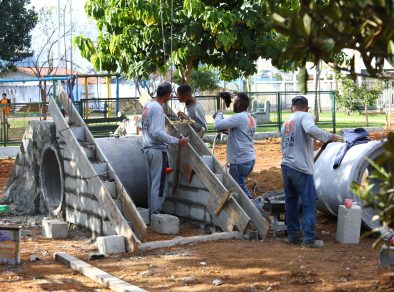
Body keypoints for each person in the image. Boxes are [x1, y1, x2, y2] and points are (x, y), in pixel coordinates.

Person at [281, 96, 341, 248]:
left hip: (286, 166)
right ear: (307, 108)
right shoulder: (306, 116)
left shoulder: (287, 122)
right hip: (300, 169)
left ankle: (292, 235)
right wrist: (329, 136)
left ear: (292, 108)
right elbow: (310, 129)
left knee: (291, 202)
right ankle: (308, 239)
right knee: (309, 202)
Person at [141, 81, 189, 215]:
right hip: (157, 150)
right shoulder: (157, 108)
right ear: (167, 95)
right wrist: (176, 141)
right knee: (160, 184)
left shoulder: (147, 105)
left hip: (148, 149)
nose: (171, 97)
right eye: (170, 95)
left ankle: (151, 213)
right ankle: (156, 214)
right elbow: (157, 133)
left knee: (153, 184)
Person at [213, 93, 256, 200]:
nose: (232, 103)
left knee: (239, 190)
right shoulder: (250, 117)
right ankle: (254, 207)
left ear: (239, 103)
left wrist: (219, 114)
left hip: (239, 160)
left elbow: (217, 125)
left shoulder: (239, 117)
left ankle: (255, 209)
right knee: (241, 186)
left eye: (234, 101)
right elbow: (239, 133)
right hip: (249, 158)